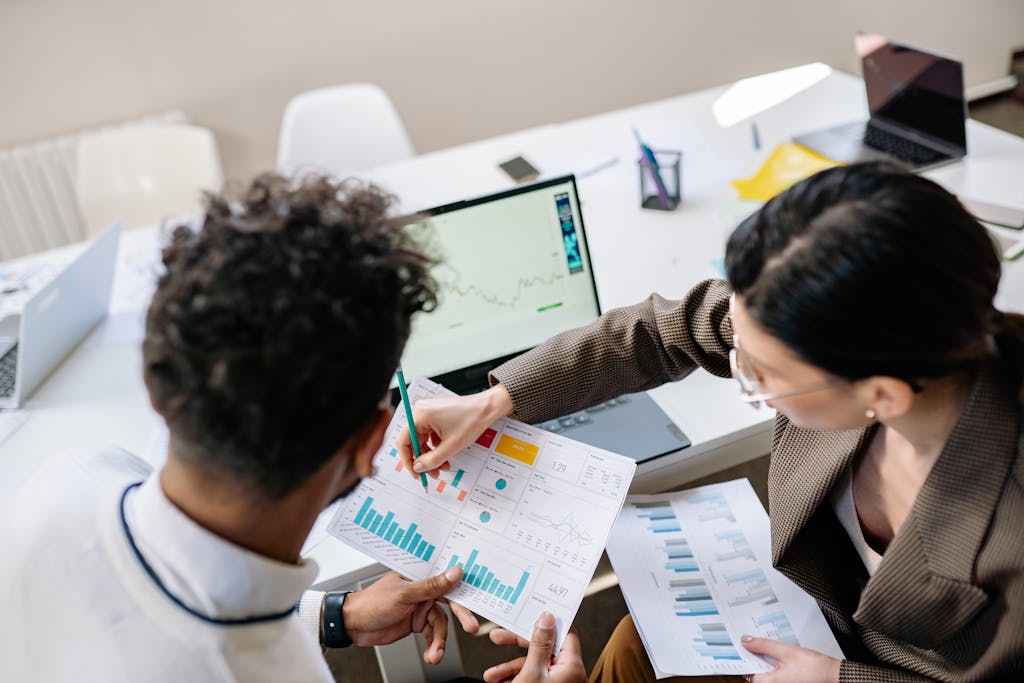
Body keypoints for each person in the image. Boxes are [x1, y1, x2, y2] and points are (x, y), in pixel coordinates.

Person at [397, 162, 1024, 682]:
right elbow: (653, 333)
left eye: (760, 374)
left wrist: (840, 680)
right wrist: (491, 403)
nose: (737, 365)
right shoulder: (821, 325)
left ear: (881, 396)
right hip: (803, 614)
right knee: (631, 645)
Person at [0, 174, 493, 682]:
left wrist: (332, 616)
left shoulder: (70, 477)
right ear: (373, 442)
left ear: (154, 382)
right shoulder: (281, 673)